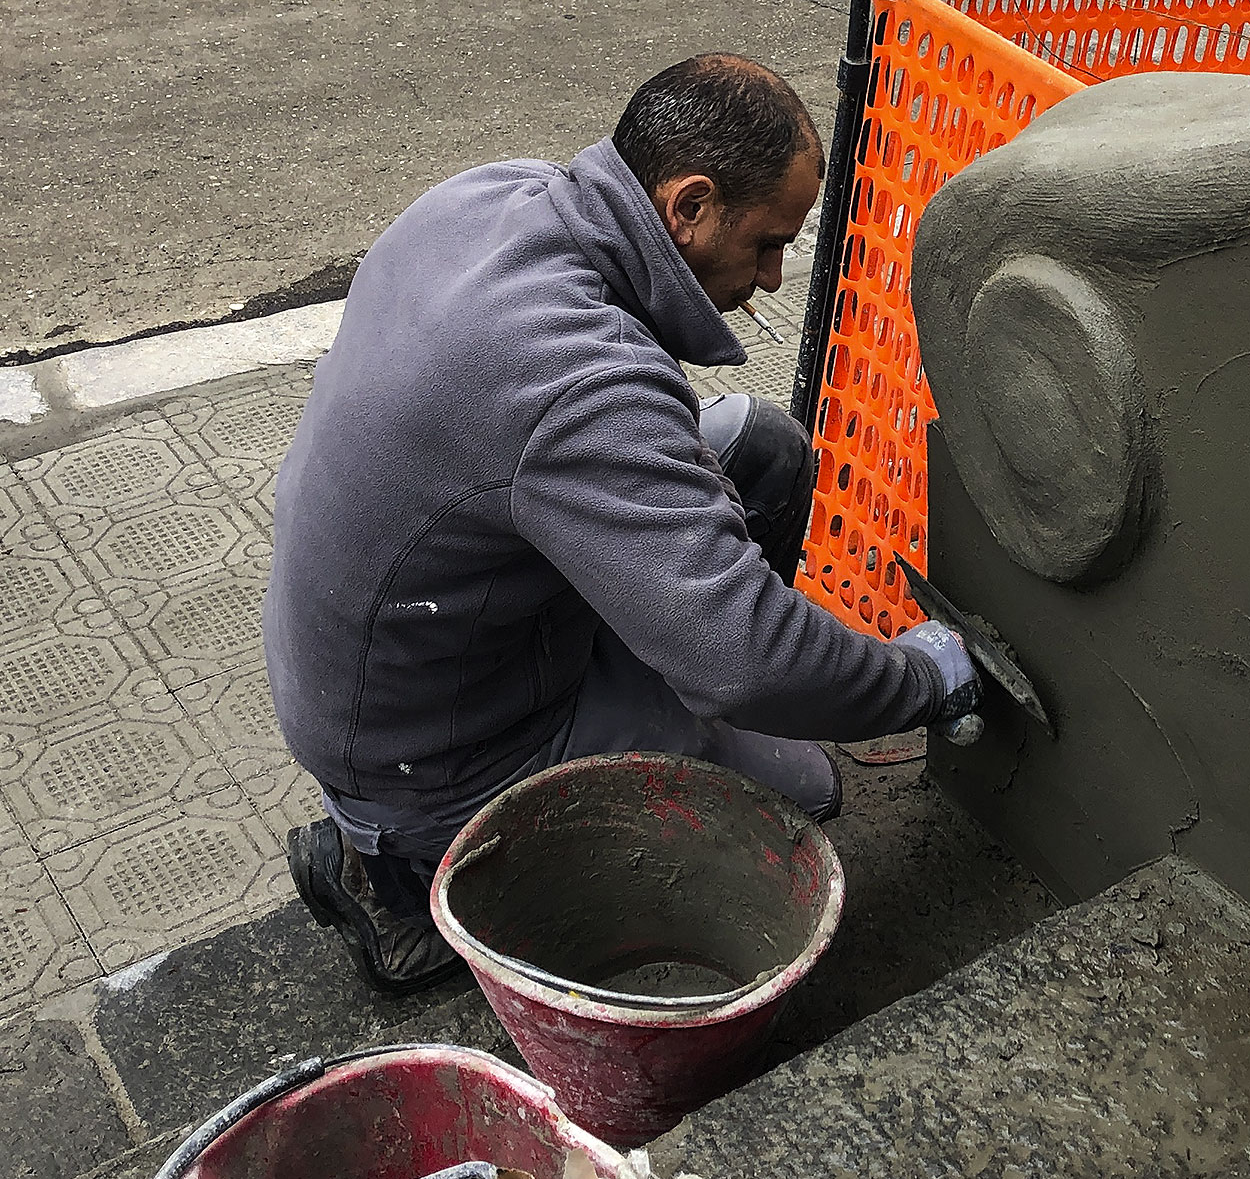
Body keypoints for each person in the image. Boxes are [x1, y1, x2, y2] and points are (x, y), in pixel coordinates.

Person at [265, 54, 978, 994]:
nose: (769, 279)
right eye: (767, 243)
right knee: (805, 789)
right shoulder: (579, 379)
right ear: (687, 206)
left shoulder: (495, 196)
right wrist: (920, 678)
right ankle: (401, 886)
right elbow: (752, 663)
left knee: (758, 448)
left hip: (421, 650)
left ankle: (635, 689)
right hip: (428, 754)